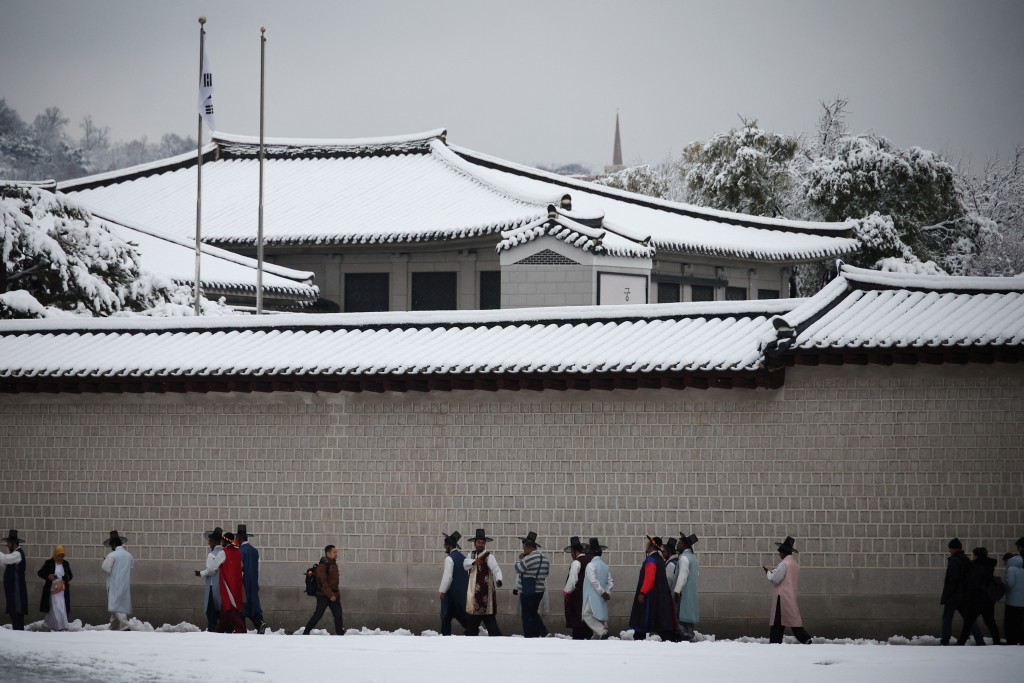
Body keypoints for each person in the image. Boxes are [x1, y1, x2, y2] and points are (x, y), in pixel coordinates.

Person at [763, 536, 812, 644]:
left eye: (780, 553)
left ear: (784, 553)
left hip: (781, 597)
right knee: (793, 621)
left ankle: (775, 642)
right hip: (790, 595)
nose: (779, 555)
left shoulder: (784, 564)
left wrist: (768, 573)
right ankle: (805, 638)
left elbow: (776, 579)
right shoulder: (794, 564)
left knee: (777, 622)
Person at [628, 535, 677, 641]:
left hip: (651, 596)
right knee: (660, 619)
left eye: (647, 543)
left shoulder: (651, 560)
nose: (646, 545)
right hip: (660, 595)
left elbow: (649, 579)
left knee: (643, 619)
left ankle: (639, 638)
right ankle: (668, 638)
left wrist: (643, 593)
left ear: (650, 546)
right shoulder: (659, 559)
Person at [941, 537, 983, 645]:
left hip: (953, 596)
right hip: (964, 596)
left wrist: (947, 594)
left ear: (955, 549)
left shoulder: (954, 560)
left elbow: (953, 579)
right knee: (969, 619)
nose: (949, 550)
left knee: (947, 619)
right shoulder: (966, 559)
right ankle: (979, 639)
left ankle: (945, 640)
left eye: (950, 548)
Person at [463, 528, 503, 636]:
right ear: (475, 543)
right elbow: (465, 565)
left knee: (490, 622)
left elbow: (496, 569)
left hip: (486, 595)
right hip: (473, 595)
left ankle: (498, 641)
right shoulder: (470, 555)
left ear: (485, 544)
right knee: (472, 622)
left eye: (482, 543)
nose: (480, 544)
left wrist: (499, 579)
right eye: (478, 542)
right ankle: (469, 638)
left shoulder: (489, 556)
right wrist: (474, 562)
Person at [957, 547, 1001, 645]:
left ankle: (961, 642)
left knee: (968, 622)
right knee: (990, 622)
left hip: (976, 598)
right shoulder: (990, 564)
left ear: (976, 555)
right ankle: (997, 641)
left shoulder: (974, 566)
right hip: (988, 598)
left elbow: (972, 582)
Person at [514, 530, 550, 638]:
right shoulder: (545, 559)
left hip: (528, 590)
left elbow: (517, 569)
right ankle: (543, 632)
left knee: (526, 615)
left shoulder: (528, 558)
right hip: (539, 590)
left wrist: (520, 559)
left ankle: (529, 636)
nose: (523, 550)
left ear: (529, 548)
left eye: (524, 548)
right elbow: (546, 574)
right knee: (533, 612)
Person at [303, 544, 344, 635]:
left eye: (336, 552)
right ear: (328, 553)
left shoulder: (333, 564)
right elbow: (322, 582)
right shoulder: (323, 566)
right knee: (318, 615)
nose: (336, 554)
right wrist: (330, 594)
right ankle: (305, 633)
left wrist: (335, 594)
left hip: (334, 595)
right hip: (323, 595)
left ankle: (340, 635)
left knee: (338, 615)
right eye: (334, 552)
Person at [212, 531, 246, 634]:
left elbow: (214, 566)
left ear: (226, 541)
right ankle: (220, 628)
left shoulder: (223, 553)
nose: (222, 542)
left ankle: (241, 629)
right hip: (236, 584)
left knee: (229, 608)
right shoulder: (238, 552)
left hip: (227, 584)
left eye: (223, 541)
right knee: (226, 608)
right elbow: (240, 566)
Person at [101, 530, 133, 631]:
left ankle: (125, 625)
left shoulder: (112, 555)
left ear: (114, 544)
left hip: (114, 583)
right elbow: (130, 567)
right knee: (118, 604)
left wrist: (111, 570)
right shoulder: (129, 556)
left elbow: (105, 568)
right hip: (124, 583)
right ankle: (113, 626)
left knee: (115, 605)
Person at [237, 524, 266, 634]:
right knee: (253, 604)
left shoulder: (240, 551)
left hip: (244, 582)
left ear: (240, 538)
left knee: (242, 605)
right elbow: (258, 567)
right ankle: (259, 623)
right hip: (253, 581)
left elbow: (239, 568)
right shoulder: (255, 551)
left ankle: (242, 628)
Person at [581, 537, 613, 639]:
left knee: (586, 614)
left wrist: (602, 592)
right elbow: (610, 581)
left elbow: (593, 581)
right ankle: (596, 638)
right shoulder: (605, 565)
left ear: (591, 553)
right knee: (597, 616)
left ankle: (602, 632)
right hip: (602, 596)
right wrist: (607, 592)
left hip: (592, 595)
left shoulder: (590, 565)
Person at [438, 531, 469, 636]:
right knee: (460, 614)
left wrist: (442, 591)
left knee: (446, 616)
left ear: (449, 545)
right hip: (460, 593)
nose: (444, 547)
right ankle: (471, 630)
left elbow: (448, 577)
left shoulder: (449, 558)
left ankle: (445, 635)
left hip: (450, 593)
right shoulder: (463, 558)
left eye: (445, 545)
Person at [562, 536, 591, 640]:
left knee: (577, 619)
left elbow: (573, 579)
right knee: (586, 620)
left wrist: (566, 592)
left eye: (571, 552)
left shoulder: (576, 562)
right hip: (589, 595)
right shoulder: (589, 560)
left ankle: (578, 638)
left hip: (578, 596)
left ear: (574, 551)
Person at [38, 544, 73, 631]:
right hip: (52, 589)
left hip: (62, 590)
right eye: (59, 555)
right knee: (55, 607)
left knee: (62, 607)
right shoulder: (49, 563)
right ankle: (58, 626)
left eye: (62, 555)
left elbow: (70, 575)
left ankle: (55, 625)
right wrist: (48, 576)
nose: (60, 557)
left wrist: (66, 577)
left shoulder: (65, 563)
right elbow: (40, 572)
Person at [673, 533, 700, 642]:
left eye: (679, 543)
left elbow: (682, 576)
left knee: (681, 617)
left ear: (684, 545)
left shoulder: (684, 558)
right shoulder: (693, 558)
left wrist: (677, 590)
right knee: (688, 617)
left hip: (683, 593)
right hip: (691, 593)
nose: (677, 545)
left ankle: (685, 638)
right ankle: (689, 636)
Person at [196, 526, 223, 632]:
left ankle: (213, 630)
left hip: (212, 586)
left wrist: (201, 573)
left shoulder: (212, 554)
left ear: (213, 542)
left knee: (210, 611)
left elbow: (211, 569)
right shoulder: (224, 552)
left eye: (210, 541)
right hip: (221, 585)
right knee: (220, 611)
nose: (208, 543)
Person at [1, 529, 28, 631]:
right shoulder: (15, 555)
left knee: (17, 610)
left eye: (8, 543)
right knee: (13, 610)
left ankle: (19, 632)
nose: (7, 545)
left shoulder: (17, 554)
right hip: (12, 588)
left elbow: (6, 559)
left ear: (13, 543)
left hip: (17, 589)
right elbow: (5, 563)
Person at [1002, 551, 1023, 645]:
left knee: (1010, 623)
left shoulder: (1011, 569)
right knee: (1021, 622)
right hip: (1022, 601)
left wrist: (1003, 587)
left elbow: (1009, 584)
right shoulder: (1022, 569)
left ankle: (1011, 641)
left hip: (1012, 601)